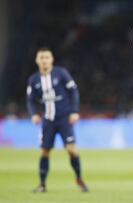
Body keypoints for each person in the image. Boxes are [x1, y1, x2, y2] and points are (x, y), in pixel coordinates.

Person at [26, 47, 88, 193]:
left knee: (71, 150)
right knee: (44, 151)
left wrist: (74, 111)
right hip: (48, 120)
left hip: (64, 119)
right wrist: (33, 114)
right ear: (37, 60)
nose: (44, 60)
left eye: (47, 57)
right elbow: (29, 100)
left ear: (52, 59)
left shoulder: (61, 73)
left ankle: (79, 178)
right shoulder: (33, 79)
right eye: (41, 58)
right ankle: (42, 184)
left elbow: (74, 91)